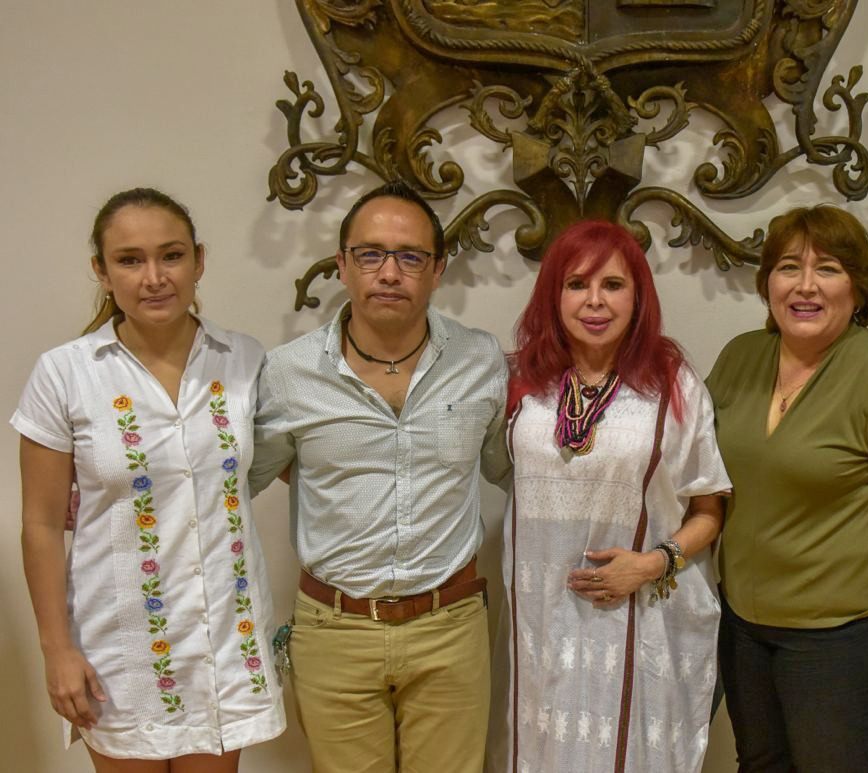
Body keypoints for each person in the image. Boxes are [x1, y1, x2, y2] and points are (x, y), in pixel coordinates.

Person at [14, 188, 284, 770]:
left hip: (225, 639)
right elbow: (40, 524)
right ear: (102, 271)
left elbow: (298, 457)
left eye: (172, 255)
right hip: (121, 650)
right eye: (130, 260)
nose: (154, 277)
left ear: (199, 260)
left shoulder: (244, 360)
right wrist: (56, 650)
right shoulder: (65, 374)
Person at [249, 180, 507, 773]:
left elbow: (512, 467)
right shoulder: (287, 373)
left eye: (410, 257)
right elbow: (240, 478)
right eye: (370, 254)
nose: (389, 273)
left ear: (438, 269)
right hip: (334, 631)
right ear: (342, 264)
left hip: (450, 627)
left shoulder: (481, 360)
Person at [705, 205, 868, 772]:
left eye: (827, 268)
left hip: (841, 636)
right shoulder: (739, 357)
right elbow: (705, 473)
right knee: (758, 765)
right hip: (745, 623)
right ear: (767, 283)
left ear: (857, 286)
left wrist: (862, 546)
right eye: (788, 267)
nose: (805, 286)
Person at [493, 220, 731, 772]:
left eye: (613, 285)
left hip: (639, 616)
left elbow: (709, 507)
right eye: (576, 284)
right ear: (553, 296)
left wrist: (652, 563)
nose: (594, 301)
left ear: (638, 297)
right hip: (539, 623)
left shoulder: (672, 383)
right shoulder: (522, 380)